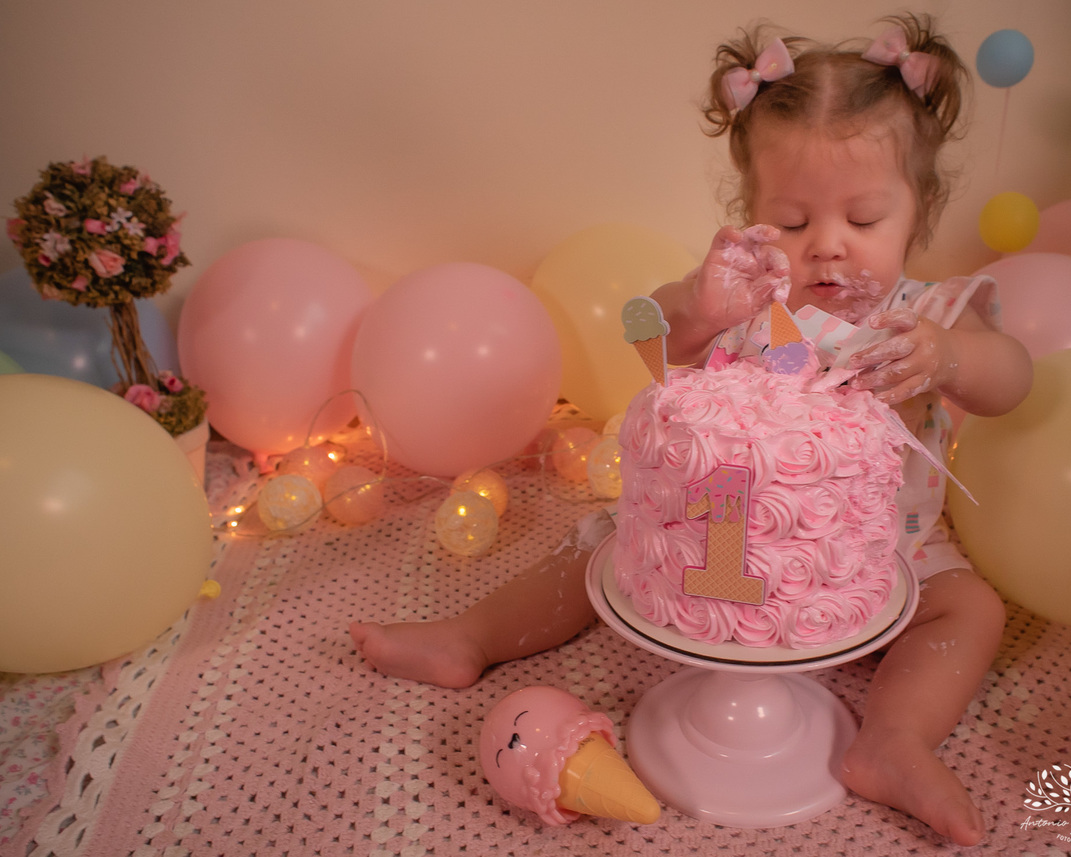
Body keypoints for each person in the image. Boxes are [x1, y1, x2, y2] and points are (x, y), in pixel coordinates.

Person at [350, 13, 1032, 847]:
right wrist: (696, 312)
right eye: (790, 220)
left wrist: (952, 357)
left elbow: (1013, 378)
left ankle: (894, 739)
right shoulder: (745, 301)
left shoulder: (924, 315)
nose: (827, 247)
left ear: (917, 213)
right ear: (751, 214)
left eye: (863, 219)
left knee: (973, 610)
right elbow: (639, 327)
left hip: (894, 556)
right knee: (596, 549)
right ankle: (469, 636)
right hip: (719, 548)